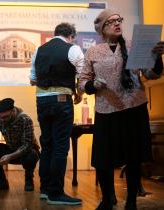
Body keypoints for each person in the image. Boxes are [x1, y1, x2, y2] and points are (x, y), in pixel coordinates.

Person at [78, 9, 164, 210]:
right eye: (111, 22)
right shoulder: (93, 51)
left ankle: (132, 201)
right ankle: (107, 200)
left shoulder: (134, 46)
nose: (117, 23)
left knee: (134, 158)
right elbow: (82, 82)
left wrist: (158, 57)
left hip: (134, 108)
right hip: (106, 110)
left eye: (119, 20)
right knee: (103, 160)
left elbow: (151, 75)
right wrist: (93, 85)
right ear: (102, 29)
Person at [29, 22, 84, 206]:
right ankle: (56, 193)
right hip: (62, 100)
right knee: (61, 146)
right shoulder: (73, 48)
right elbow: (83, 74)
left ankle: (45, 189)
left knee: (47, 145)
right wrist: (79, 94)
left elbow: (32, 80)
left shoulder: (39, 50)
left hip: (41, 101)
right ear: (71, 36)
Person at [0, 98, 40, 192]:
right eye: (1, 117)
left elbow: (27, 145)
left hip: (26, 152)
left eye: (5, 117)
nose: (2, 120)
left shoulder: (25, 119)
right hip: (11, 149)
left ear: (13, 111)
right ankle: (1, 180)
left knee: (32, 154)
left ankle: (29, 180)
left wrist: (10, 156)